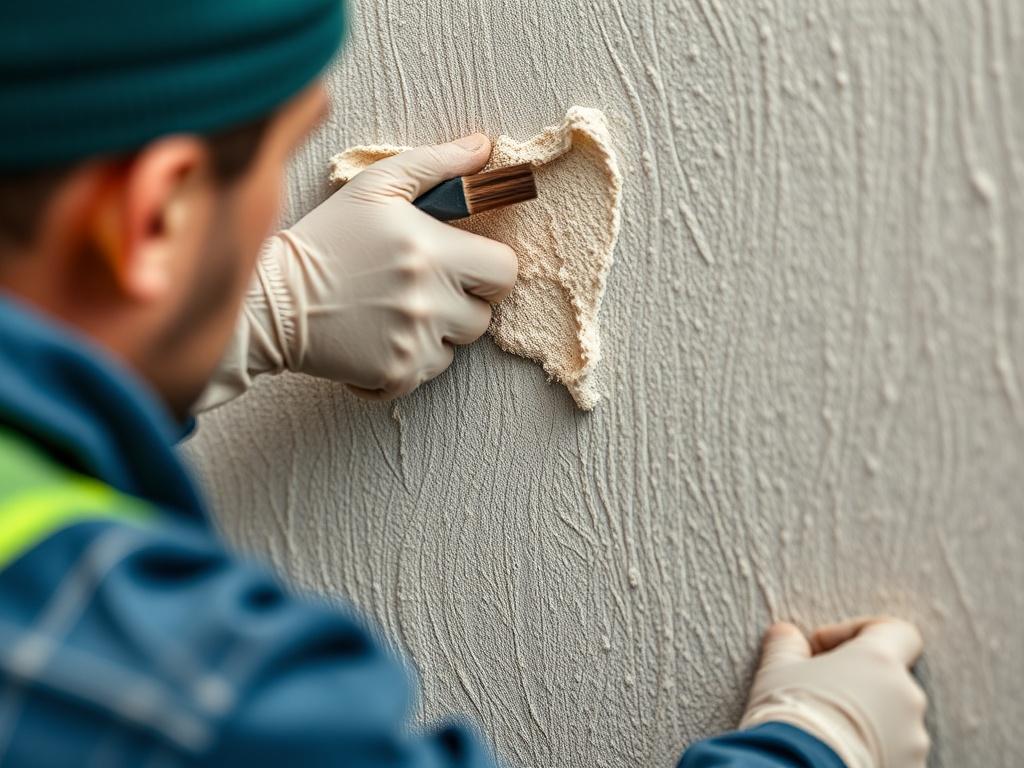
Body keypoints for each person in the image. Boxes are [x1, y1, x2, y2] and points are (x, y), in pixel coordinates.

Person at [0, 2, 930, 766]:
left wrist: (255, 315)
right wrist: (817, 745)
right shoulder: (194, 699)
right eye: (281, 157)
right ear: (152, 218)